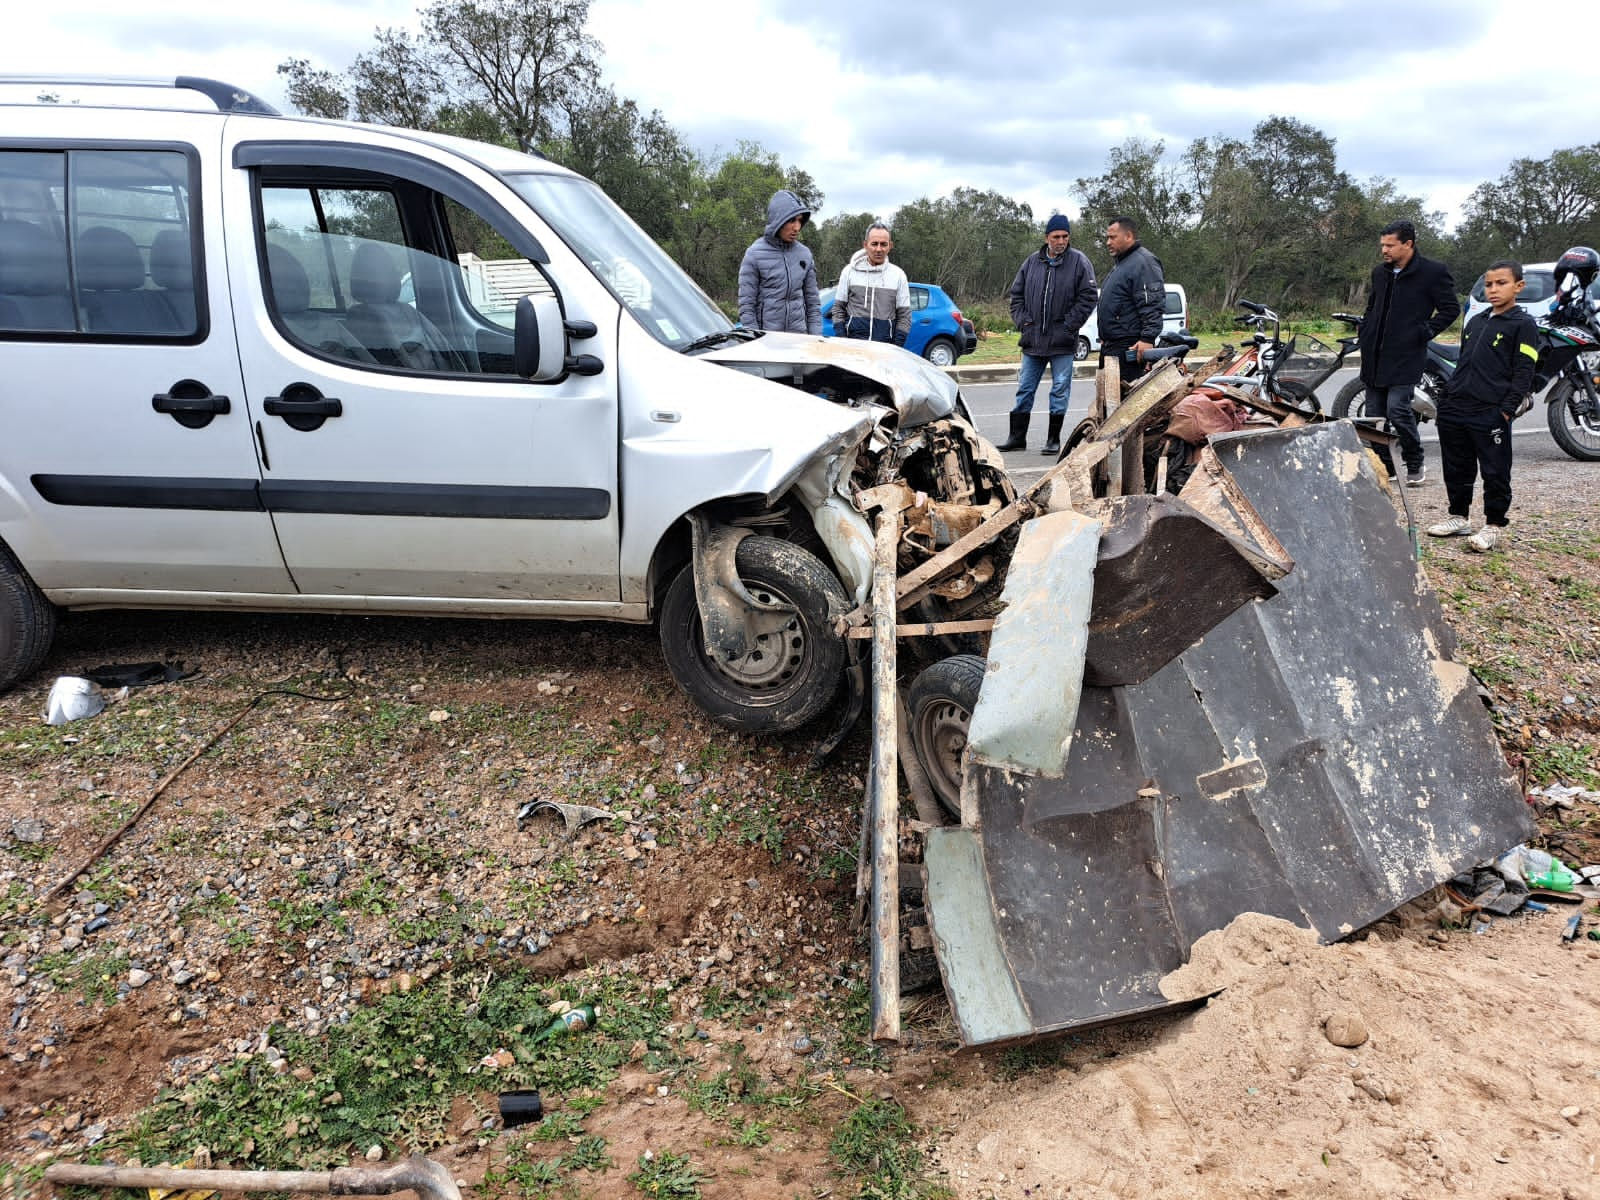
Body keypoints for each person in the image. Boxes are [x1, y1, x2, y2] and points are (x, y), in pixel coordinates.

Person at [1424, 260, 1538, 553]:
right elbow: (1464, 363)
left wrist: (1507, 409)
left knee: (1495, 470)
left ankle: (1494, 525)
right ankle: (1458, 517)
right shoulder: (1476, 321)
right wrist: (1447, 399)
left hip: (1490, 411)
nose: (1494, 289)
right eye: (1489, 284)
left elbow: (1525, 371)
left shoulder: (1523, 325)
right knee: (1456, 466)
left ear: (1518, 286)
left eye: (1501, 283)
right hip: (1456, 407)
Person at [1357, 219, 1460, 487]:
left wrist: (1423, 332)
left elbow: (1450, 309)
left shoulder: (1433, 272)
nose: (1384, 250)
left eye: (1390, 245)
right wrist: (1365, 330)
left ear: (1408, 244)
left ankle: (1414, 462)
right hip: (1374, 355)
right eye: (1382, 245)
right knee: (1373, 416)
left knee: (1398, 410)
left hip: (1406, 355)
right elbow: (1373, 306)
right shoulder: (1380, 273)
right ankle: (1386, 466)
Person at [998, 214, 1098, 454]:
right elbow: (1016, 296)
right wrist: (1024, 323)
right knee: (1025, 389)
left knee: (1060, 389)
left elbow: (1088, 297)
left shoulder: (1079, 262)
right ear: (1047, 238)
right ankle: (1016, 437)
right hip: (1033, 341)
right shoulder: (1031, 263)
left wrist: (1069, 326)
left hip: (1062, 341)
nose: (1061, 241)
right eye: (1056, 236)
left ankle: (1053, 439)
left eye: (1065, 236)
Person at [738, 189, 820, 334]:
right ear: (778, 219)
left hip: (799, 342)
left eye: (800, 220)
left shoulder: (805, 254)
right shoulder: (754, 254)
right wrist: (756, 341)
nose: (797, 227)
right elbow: (746, 307)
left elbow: (813, 304)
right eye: (792, 220)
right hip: (767, 344)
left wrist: (815, 339)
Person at [1095, 215, 1165, 374]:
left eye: (1113, 237)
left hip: (1129, 349)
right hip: (1111, 348)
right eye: (1107, 238)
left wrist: (1147, 339)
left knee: (1127, 397)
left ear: (1128, 236)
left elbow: (1152, 303)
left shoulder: (1143, 262)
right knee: (1109, 397)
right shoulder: (1122, 264)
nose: (1108, 242)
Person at [830, 223, 910, 345]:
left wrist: (896, 348)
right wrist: (843, 340)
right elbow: (838, 309)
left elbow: (904, 317)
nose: (879, 249)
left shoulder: (898, 275)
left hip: (885, 349)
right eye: (874, 244)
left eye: (883, 244)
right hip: (853, 348)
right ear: (865, 245)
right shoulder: (849, 271)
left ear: (890, 246)